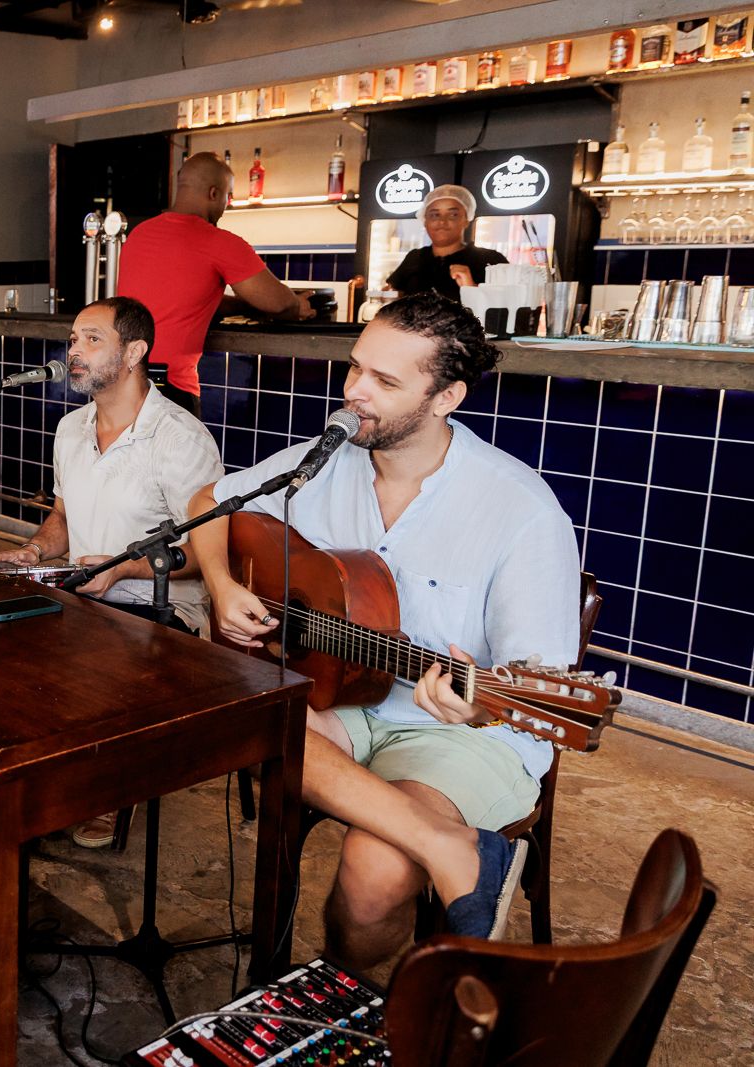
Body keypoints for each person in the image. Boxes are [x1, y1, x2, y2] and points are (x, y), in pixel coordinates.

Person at [186, 290, 580, 963]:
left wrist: (475, 700)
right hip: (344, 702)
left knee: (374, 871)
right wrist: (223, 587)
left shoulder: (519, 508)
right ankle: (452, 849)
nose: (355, 392)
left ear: (447, 397)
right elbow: (209, 503)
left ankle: (347, 995)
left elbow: (539, 681)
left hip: (461, 733)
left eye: (385, 380)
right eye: (355, 367)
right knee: (244, 716)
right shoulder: (327, 457)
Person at [0, 296, 223, 848]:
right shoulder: (70, 429)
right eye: (72, 340)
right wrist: (34, 552)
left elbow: (209, 552)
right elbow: (61, 517)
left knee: (83, 665)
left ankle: (104, 788)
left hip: (161, 613)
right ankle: (24, 790)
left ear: (134, 352)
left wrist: (119, 571)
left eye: (92, 340)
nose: (75, 352)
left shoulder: (181, 440)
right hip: (82, 602)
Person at [116, 151, 312, 417]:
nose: (226, 204)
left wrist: (247, 307)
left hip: (119, 379)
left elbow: (183, 299)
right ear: (213, 193)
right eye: (227, 196)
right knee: (179, 460)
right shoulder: (218, 242)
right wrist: (297, 305)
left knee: (122, 459)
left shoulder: (138, 235)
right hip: (169, 389)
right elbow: (280, 304)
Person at [385, 185, 509, 303]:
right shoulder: (414, 257)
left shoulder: (490, 260)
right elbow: (392, 294)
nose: (442, 221)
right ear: (424, 221)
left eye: (453, 215)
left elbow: (507, 305)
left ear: (466, 220)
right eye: (434, 215)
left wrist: (471, 288)